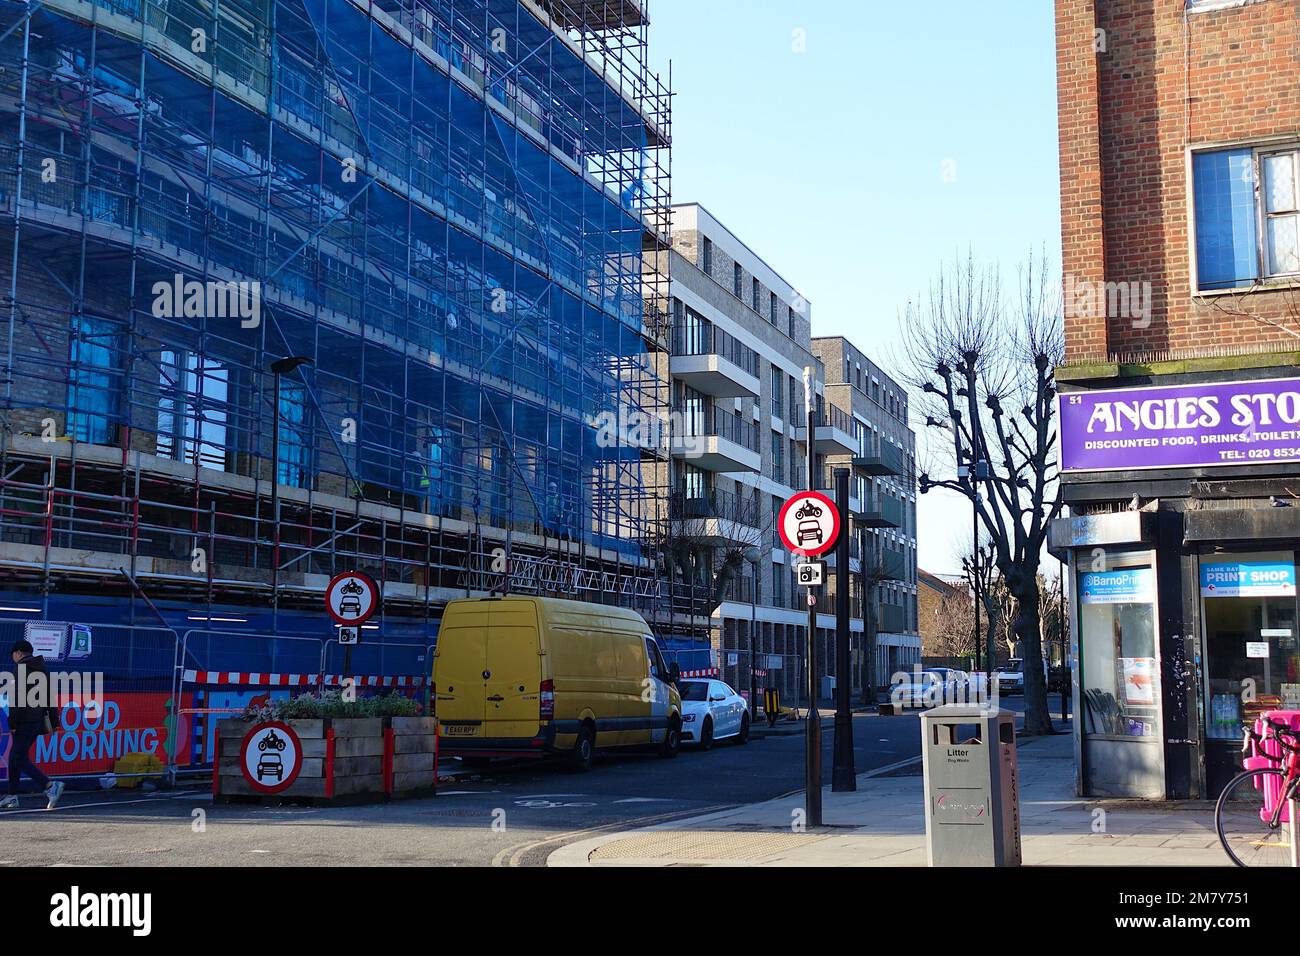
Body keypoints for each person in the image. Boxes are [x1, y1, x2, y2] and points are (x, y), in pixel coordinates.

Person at [1, 639, 64, 810]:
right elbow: (49, 696)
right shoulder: (42, 668)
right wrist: (54, 721)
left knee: (17, 757)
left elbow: (17, 699)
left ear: (19, 653)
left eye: (13, 654)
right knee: (16, 757)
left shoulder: (20, 669)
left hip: (23, 722)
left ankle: (50, 785)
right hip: (37, 721)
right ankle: (12, 795)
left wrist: (12, 722)